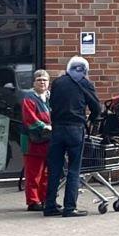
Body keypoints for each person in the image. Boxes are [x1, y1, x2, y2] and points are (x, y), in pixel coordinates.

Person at [41, 56, 100, 217]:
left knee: (54, 169)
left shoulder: (58, 82)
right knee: (74, 169)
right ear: (85, 70)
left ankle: (50, 205)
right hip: (75, 129)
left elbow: (51, 103)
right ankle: (69, 208)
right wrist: (92, 119)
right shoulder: (84, 83)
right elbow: (97, 107)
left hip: (57, 129)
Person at [19, 69, 53, 212]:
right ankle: (33, 201)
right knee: (34, 173)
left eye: (45, 80)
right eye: (39, 80)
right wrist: (44, 126)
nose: (42, 82)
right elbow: (30, 119)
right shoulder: (29, 98)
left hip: (47, 141)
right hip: (32, 141)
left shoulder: (50, 97)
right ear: (34, 82)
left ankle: (44, 198)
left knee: (46, 173)